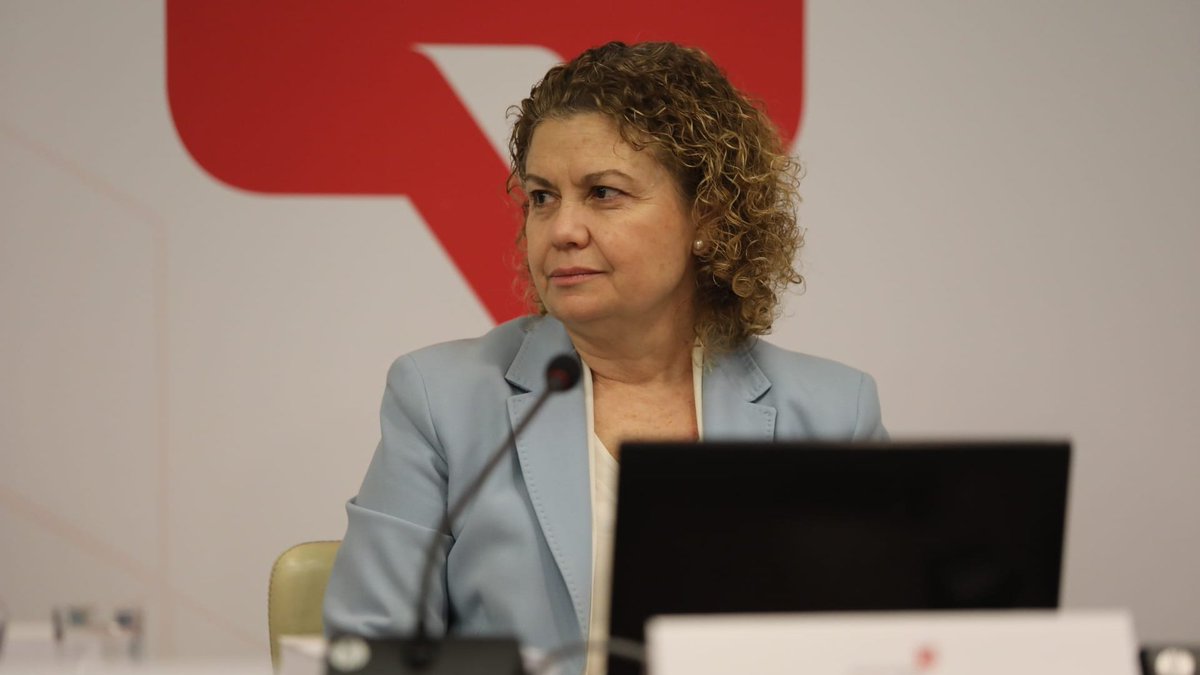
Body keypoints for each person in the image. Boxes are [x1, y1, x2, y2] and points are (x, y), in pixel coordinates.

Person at [323, 41, 887, 675]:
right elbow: (371, 650)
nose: (562, 229)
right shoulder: (442, 398)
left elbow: (880, 647)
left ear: (707, 217)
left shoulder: (833, 414)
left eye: (603, 193)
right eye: (542, 197)